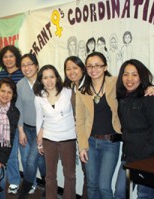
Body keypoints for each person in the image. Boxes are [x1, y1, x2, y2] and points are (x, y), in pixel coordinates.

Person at [76, 52, 154, 199]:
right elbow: (80, 122)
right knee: (93, 185)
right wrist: (82, 146)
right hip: (93, 143)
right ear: (86, 68)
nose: (94, 69)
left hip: (113, 143)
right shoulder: (82, 91)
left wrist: (152, 89)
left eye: (98, 65)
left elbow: (137, 88)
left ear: (105, 67)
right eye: (90, 66)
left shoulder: (116, 83)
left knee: (105, 187)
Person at [114, 59, 154, 199]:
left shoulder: (150, 99)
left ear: (141, 77)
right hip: (128, 156)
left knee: (144, 196)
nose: (129, 79)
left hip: (147, 159)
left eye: (134, 75)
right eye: (126, 74)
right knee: (120, 193)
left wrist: (146, 153)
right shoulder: (122, 98)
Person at [34, 65, 77, 199]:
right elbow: (39, 119)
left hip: (68, 138)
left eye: (52, 77)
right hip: (49, 139)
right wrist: (39, 140)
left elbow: (77, 114)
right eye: (45, 78)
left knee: (70, 175)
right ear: (41, 80)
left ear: (57, 78)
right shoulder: (39, 97)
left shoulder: (68, 92)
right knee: (50, 175)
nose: (49, 81)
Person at [0, 45, 24, 194]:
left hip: (15, 118)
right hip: (0, 119)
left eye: (11, 56)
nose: (8, 59)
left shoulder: (22, 74)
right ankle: (1, 180)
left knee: (12, 152)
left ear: (16, 57)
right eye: (5, 56)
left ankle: (14, 180)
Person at [17, 54, 46, 199]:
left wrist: (42, 131)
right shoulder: (20, 84)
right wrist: (21, 130)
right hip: (26, 128)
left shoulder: (44, 82)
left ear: (36, 65)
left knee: (31, 159)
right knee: (40, 160)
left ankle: (24, 189)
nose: (26, 68)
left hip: (41, 129)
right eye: (23, 65)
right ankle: (49, 184)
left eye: (29, 64)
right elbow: (19, 108)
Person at [63, 56, 87, 199]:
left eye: (75, 68)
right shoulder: (67, 88)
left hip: (86, 135)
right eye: (68, 69)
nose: (71, 72)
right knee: (70, 172)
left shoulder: (90, 87)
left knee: (89, 173)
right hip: (70, 135)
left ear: (82, 69)